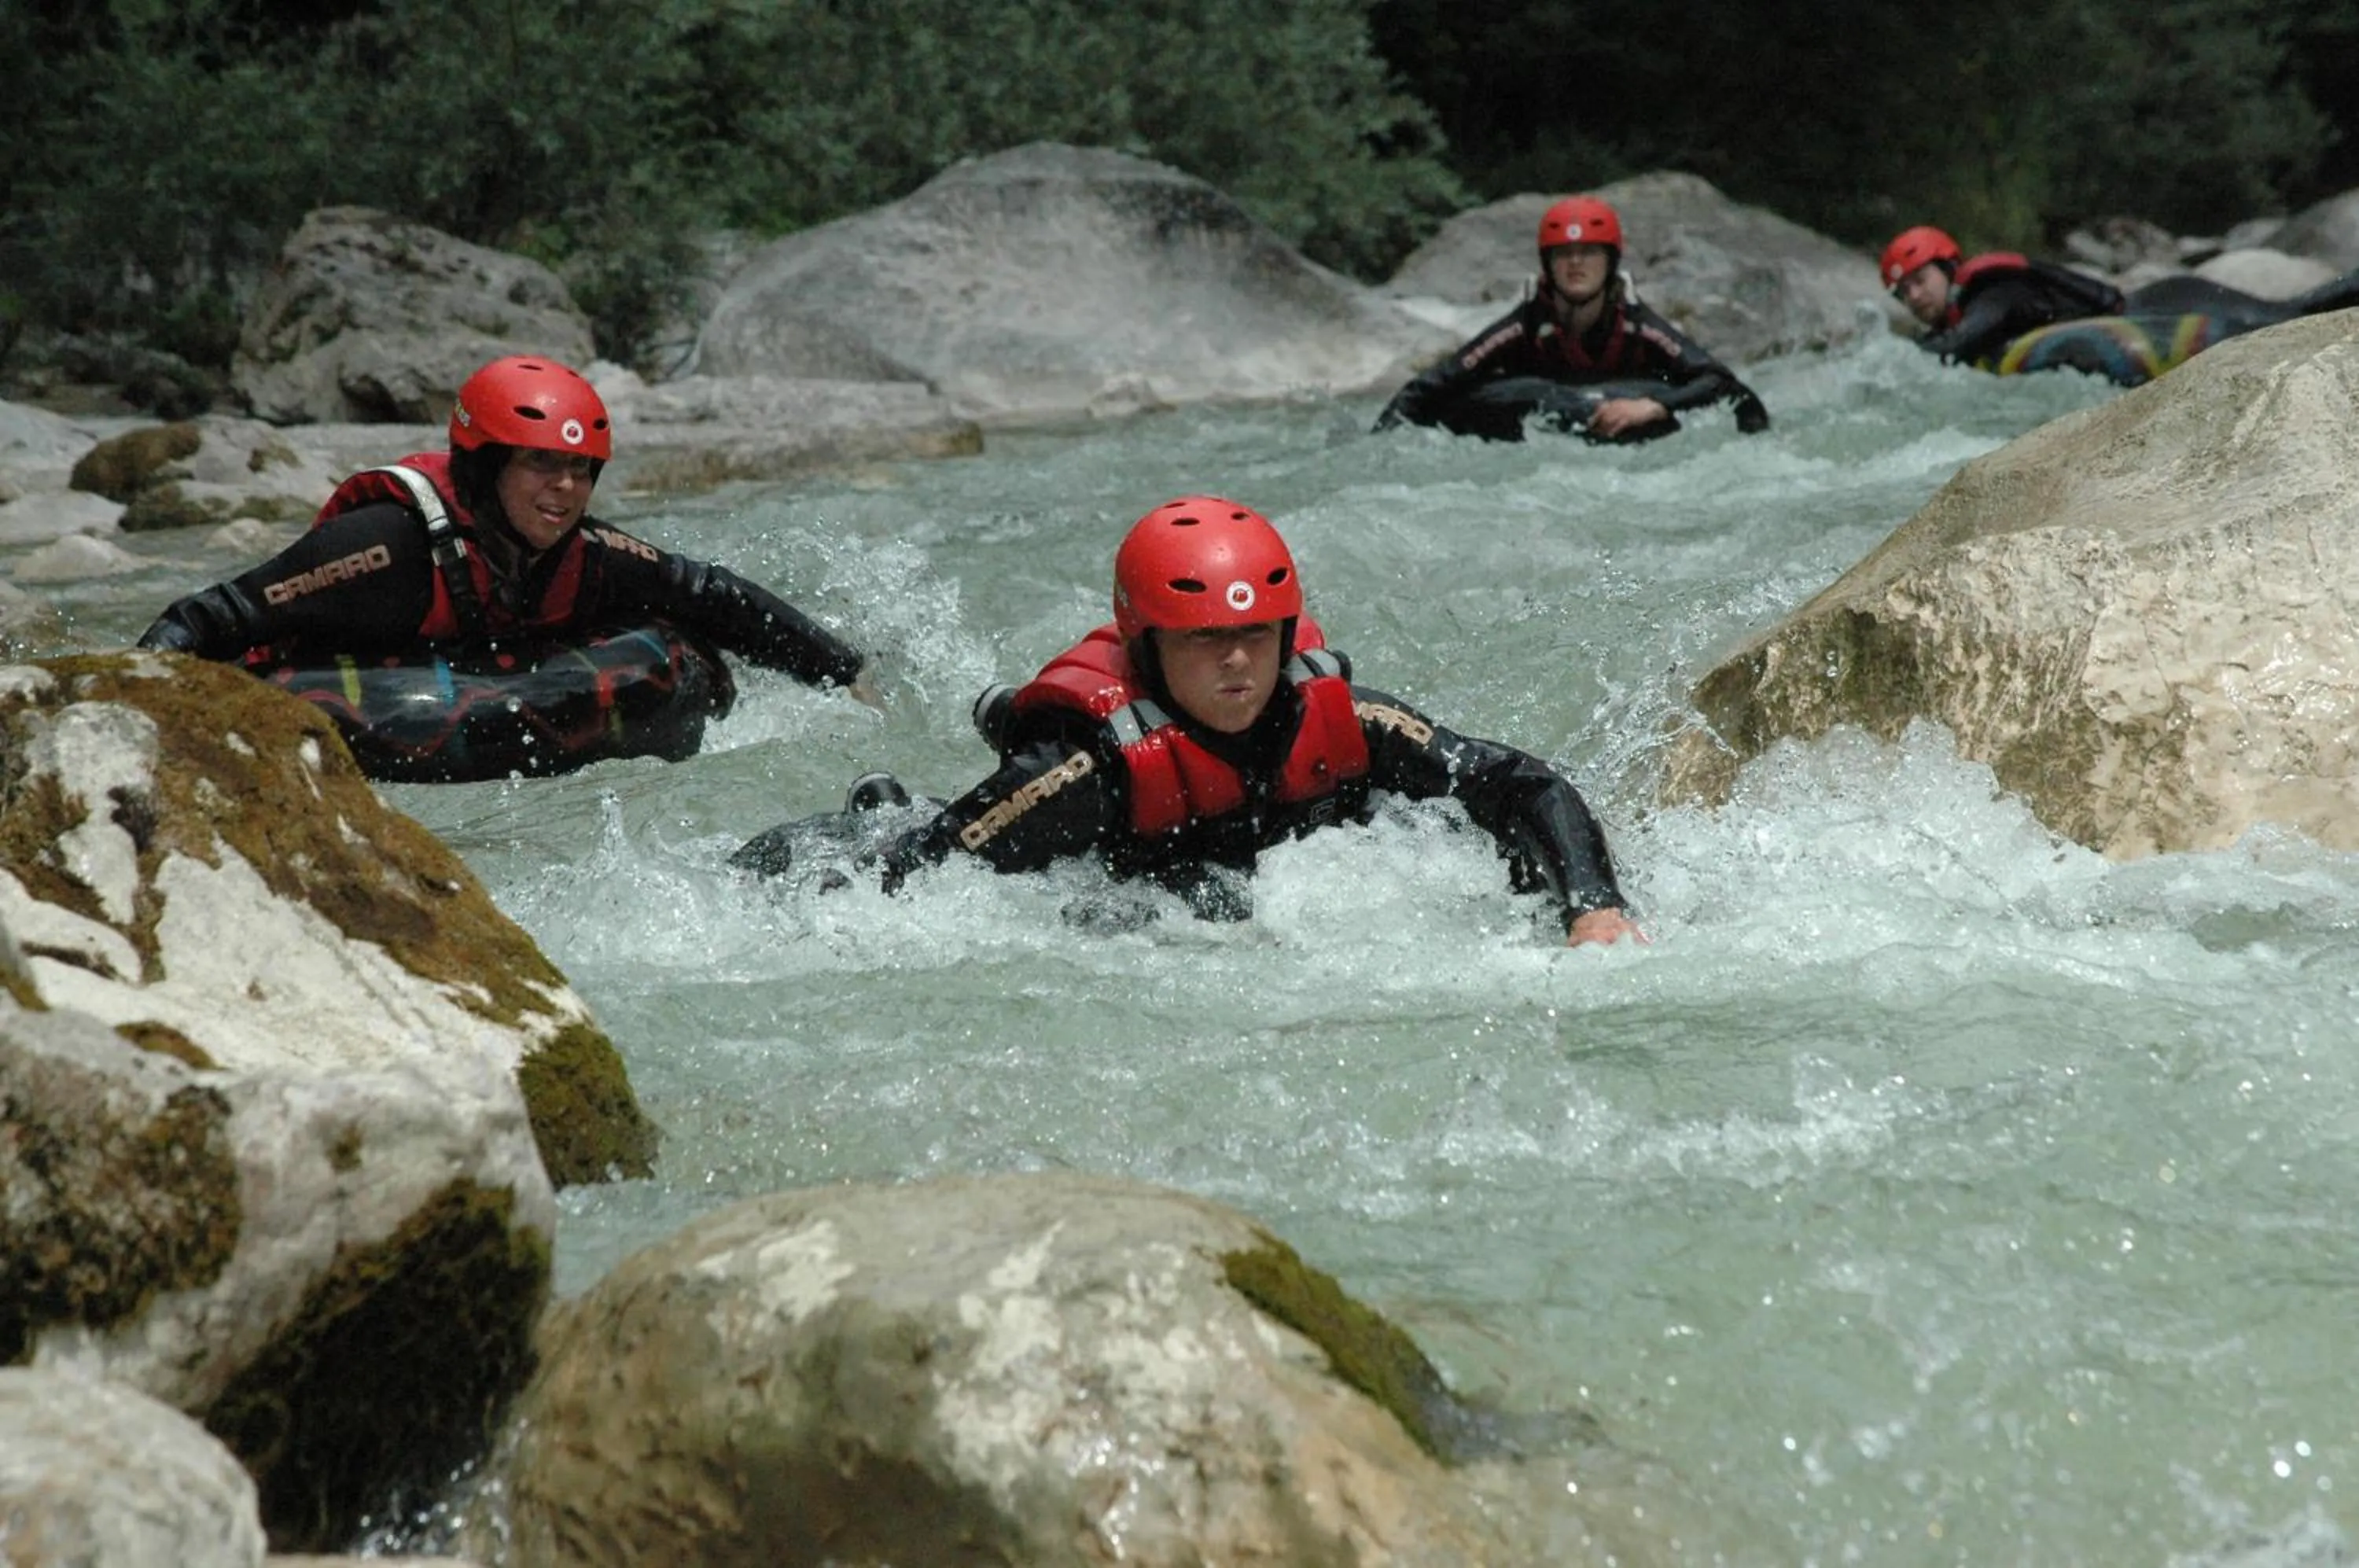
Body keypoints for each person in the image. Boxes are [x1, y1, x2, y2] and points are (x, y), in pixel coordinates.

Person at [760, 496, 1642, 948]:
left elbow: (1518, 781)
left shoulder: (1346, 722)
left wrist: (1593, 907)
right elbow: (928, 872)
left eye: (1256, 637)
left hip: (1232, 879)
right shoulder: (1087, 771)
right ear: (1146, 646)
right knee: (891, 829)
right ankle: (875, 801)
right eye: (1204, 641)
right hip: (1110, 881)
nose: (1236, 663)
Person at [137, 354, 873, 700]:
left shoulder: (585, 554)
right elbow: (210, 617)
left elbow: (705, 593)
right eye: (541, 466)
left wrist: (846, 676)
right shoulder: (388, 545)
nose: (565, 490)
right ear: (484, 468)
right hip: (311, 687)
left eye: (582, 472)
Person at [1375, 195, 1770, 444]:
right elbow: (1432, 385)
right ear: (1548, 265)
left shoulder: (1636, 323)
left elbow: (1718, 380)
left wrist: (1654, 405)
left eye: (1589, 253)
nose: (1576, 263)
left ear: (1611, 261)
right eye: (1564, 254)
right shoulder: (1526, 323)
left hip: (1630, 418)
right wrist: (1378, 446)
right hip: (1541, 420)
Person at [1882, 224, 2359, 372]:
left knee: (2295, 317)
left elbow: (1983, 326)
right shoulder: (1966, 303)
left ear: (1947, 268)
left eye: (1920, 280)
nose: (1914, 296)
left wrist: (1915, 354)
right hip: (2150, 309)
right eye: (1904, 293)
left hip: (2163, 306)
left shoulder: (1990, 288)